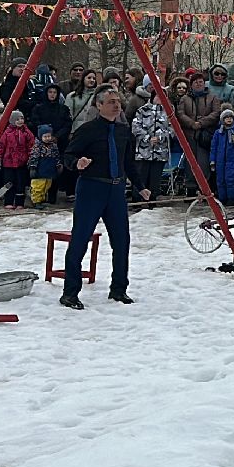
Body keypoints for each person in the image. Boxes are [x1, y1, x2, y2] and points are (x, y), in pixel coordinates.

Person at [60, 88, 142, 309]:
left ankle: (119, 289)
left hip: (116, 191)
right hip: (91, 188)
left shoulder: (125, 132)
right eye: (111, 101)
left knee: (122, 241)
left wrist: (140, 186)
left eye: (118, 101)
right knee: (80, 240)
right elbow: (68, 155)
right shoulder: (87, 130)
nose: (116, 105)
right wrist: (77, 163)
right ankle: (70, 292)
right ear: (99, 105)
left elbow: (129, 164)